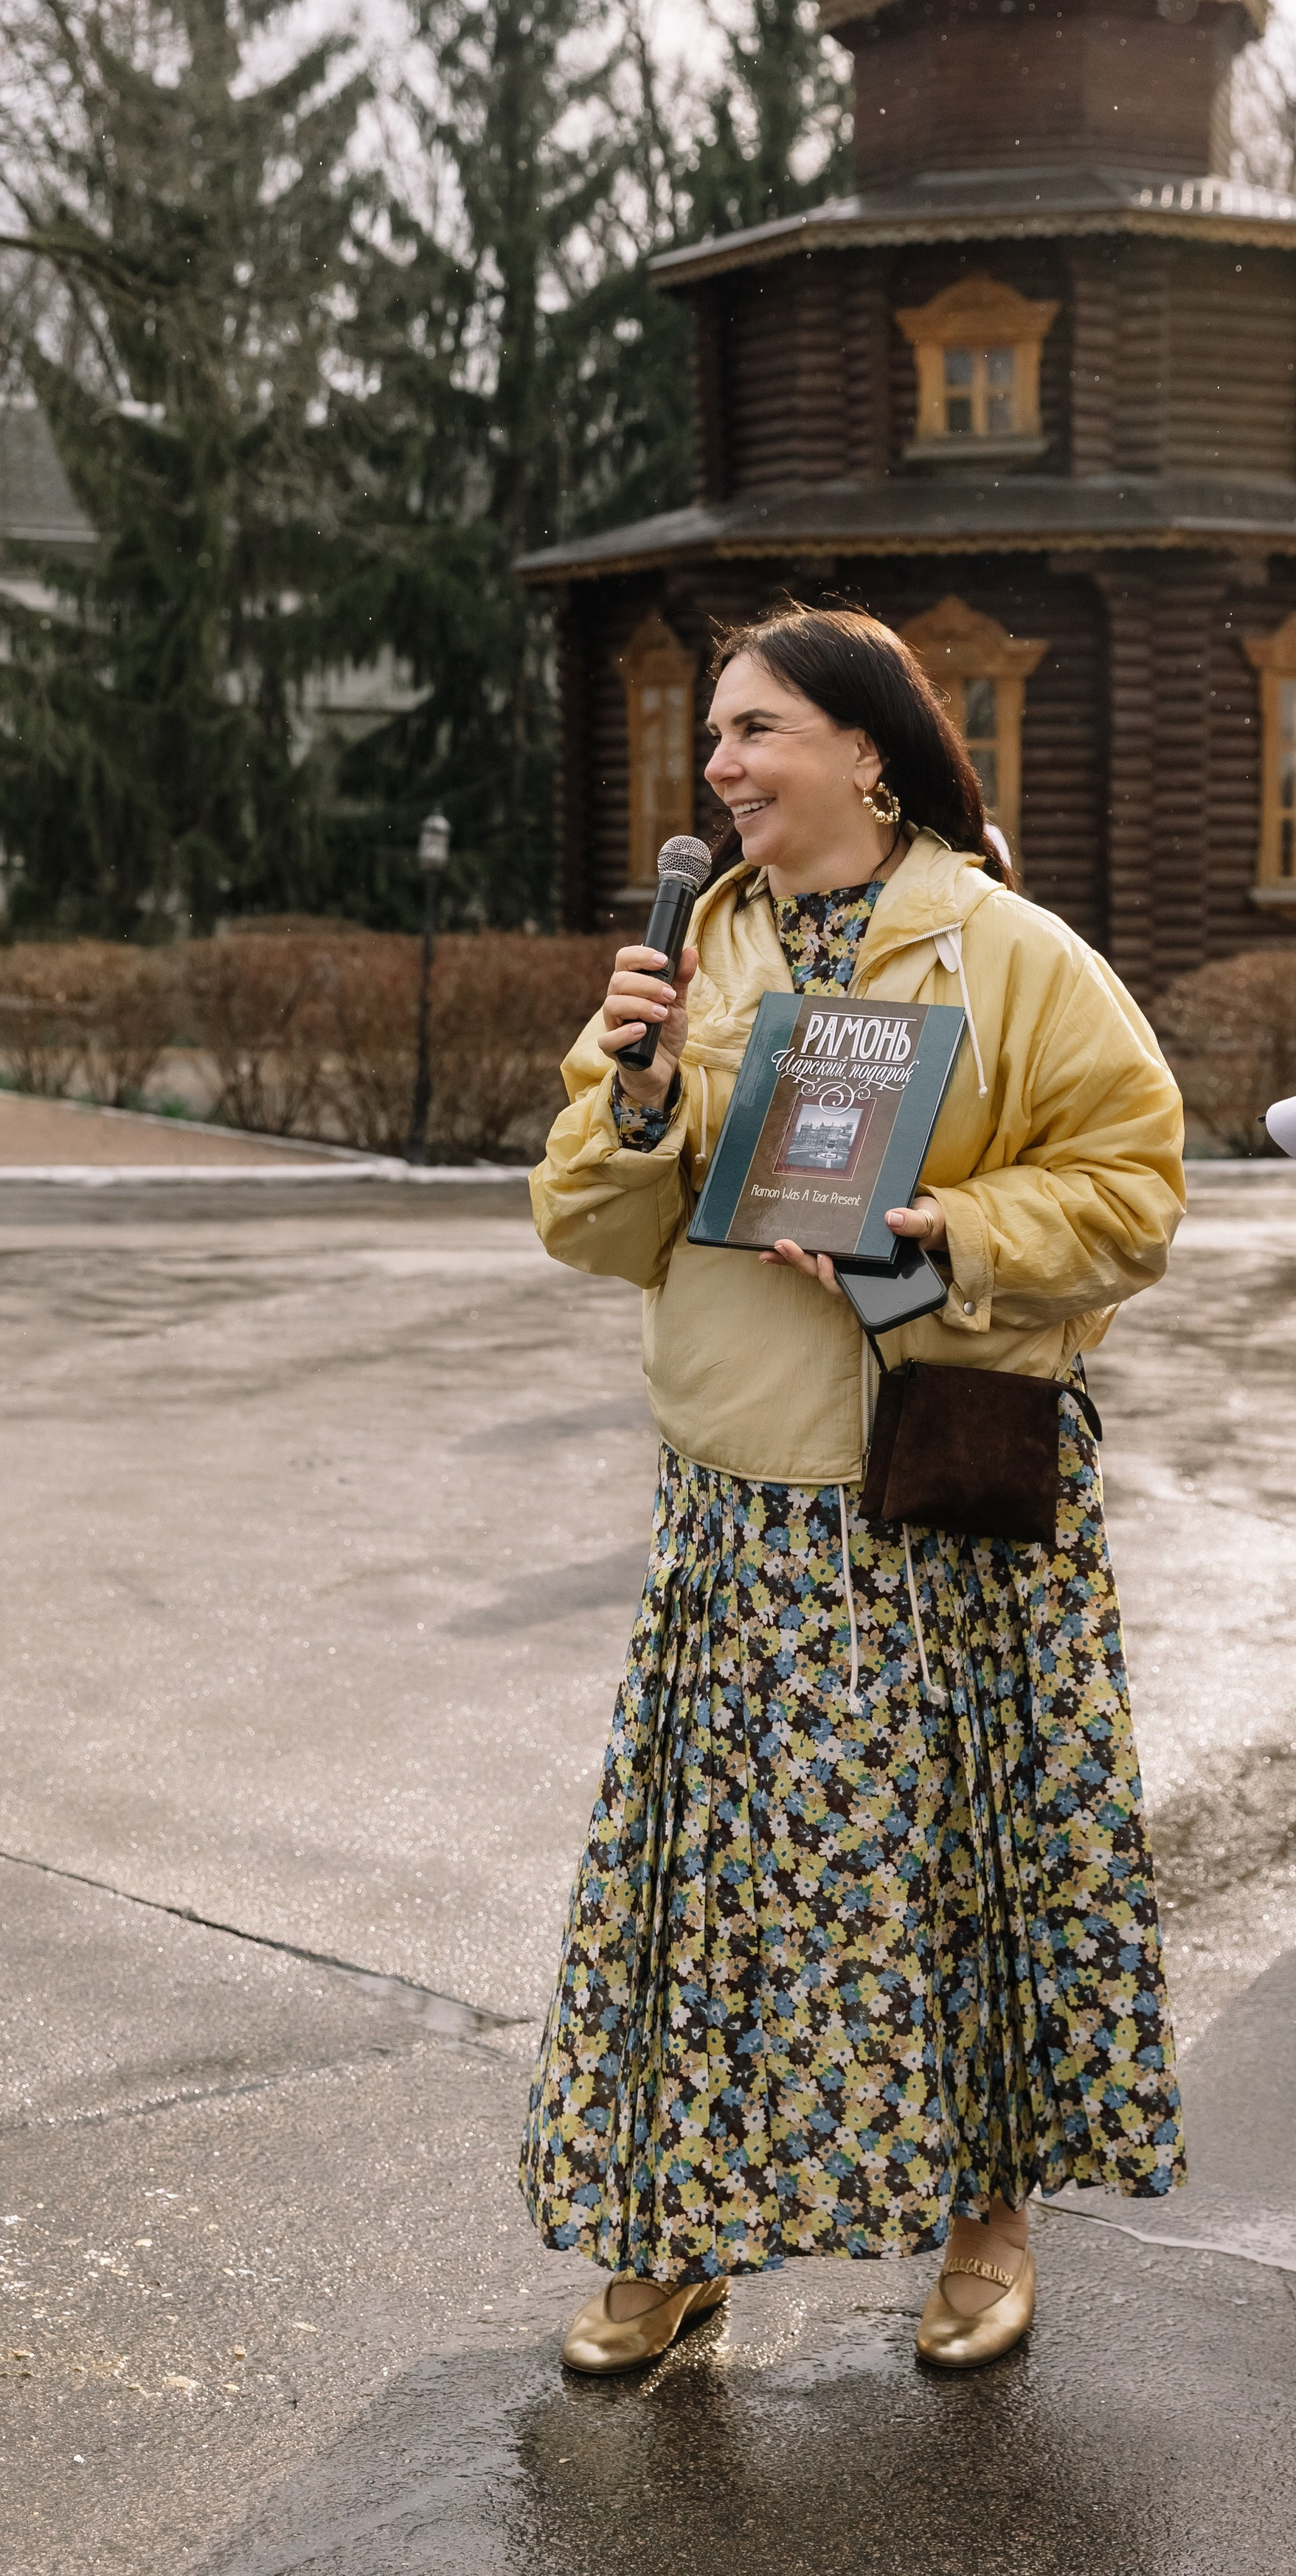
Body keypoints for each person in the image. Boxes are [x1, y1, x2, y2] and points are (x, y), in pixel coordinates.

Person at [523, 606, 1187, 2377]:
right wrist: (637, 1095)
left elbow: (1133, 1180)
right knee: (705, 1895)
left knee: (946, 1880)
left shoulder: (1005, 951)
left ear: (868, 750)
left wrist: (949, 1234)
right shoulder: (694, 957)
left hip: (926, 1508)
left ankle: (983, 2222)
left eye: (756, 731)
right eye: (715, 738)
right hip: (734, 1504)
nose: (721, 764)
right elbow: (585, 1225)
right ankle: (672, 2231)